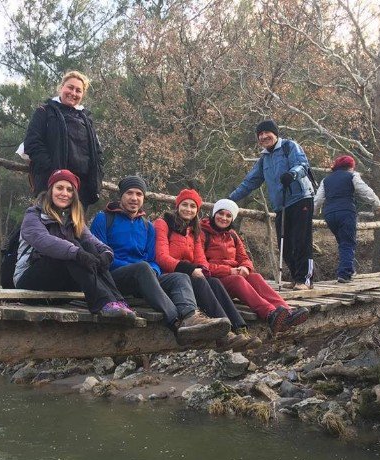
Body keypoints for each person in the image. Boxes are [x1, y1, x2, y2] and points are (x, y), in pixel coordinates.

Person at [90, 176, 232, 345]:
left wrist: (153, 271)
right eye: (129, 193)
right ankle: (175, 323)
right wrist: (139, 268)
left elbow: (153, 259)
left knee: (180, 277)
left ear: (143, 198)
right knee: (142, 267)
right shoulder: (104, 219)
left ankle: (191, 316)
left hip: (145, 277)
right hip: (114, 278)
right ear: (121, 196)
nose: (134, 198)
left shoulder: (147, 226)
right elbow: (100, 257)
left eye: (139, 194)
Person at [13, 169, 135, 319]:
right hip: (30, 278)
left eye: (69, 190)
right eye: (59, 188)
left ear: (74, 195)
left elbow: (93, 242)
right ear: (51, 190)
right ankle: (102, 303)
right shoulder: (33, 215)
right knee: (70, 249)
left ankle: (117, 301)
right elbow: (44, 241)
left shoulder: (74, 219)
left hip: (62, 281)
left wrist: (106, 254)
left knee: (88, 248)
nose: (64, 193)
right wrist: (77, 253)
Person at [154, 189, 261, 351]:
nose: (188, 209)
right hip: (170, 277)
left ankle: (238, 328)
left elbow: (200, 258)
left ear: (197, 210)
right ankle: (225, 336)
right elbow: (161, 257)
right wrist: (191, 269)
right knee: (200, 280)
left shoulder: (194, 229)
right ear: (177, 206)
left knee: (214, 282)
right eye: (184, 205)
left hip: (188, 276)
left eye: (192, 206)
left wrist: (203, 269)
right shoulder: (163, 224)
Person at [229, 119, 315, 290]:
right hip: (281, 205)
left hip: (301, 198)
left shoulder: (289, 146)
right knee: (286, 242)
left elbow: (302, 165)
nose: (263, 136)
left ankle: (304, 279)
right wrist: (230, 199)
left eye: (266, 132)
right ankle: (296, 276)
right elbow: (250, 182)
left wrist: (292, 174)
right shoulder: (264, 159)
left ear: (275, 133)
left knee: (301, 239)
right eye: (260, 134)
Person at [201, 199, 309, 332]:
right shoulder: (202, 233)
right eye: (221, 214)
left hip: (234, 275)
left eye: (228, 216)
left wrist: (245, 267)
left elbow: (244, 257)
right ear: (214, 214)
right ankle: (270, 314)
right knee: (238, 280)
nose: (224, 218)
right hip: (215, 281)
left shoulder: (232, 235)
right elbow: (201, 264)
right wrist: (230, 271)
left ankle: (287, 312)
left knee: (255, 277)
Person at [21, 71, 103, 208]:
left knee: (75, 228)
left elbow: (97, 152)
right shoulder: (44, 111)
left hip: (81, 189)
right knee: (49, 226)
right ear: (61, 87)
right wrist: (53, 171)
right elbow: (32, 143)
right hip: (52, 184)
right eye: (70, 87)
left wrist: (96, 178)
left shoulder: (87, 120)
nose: (73, 93)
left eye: (78, 90)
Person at [314, 155, 380, 283]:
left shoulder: (325, 180)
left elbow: (318, 199)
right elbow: (365, 191)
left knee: (343, 242)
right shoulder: (352, 176)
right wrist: (378, 205)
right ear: (351, 167)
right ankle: (344, 274)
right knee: (348, 243)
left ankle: (350, 269)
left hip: (329, 214)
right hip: (346, 212)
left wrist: (314, 212)